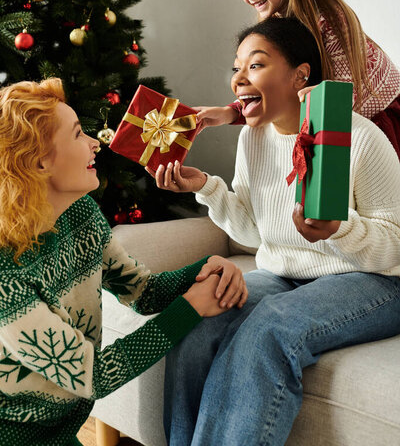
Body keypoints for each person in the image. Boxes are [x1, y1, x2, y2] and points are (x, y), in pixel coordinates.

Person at [148, 17, 400, 446]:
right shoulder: (254, 138)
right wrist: (207, 187)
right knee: (196, 316)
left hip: (373, 281)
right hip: (283, 273)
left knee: (269, 326)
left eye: (256, 65)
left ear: (300, 74)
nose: (239, 79)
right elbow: (253, 230)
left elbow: (393, 249)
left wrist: (340, 229)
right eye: (236, 68)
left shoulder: (359, 138)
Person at [0, 78, 247, 446]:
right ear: (39, 162)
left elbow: (143, 292)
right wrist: (191, 307)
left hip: (61, 431)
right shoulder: (7, 277)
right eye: (79, 134)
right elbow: (93, 375)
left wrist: (205, 267)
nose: (94, 144)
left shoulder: (80, 213)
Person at [195, 0, 400, 157]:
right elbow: (274, 90)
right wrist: (231, 112)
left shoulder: (333, 21)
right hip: (340, 123)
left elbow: (340, 99)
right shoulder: (278, 24)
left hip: (378, 121)